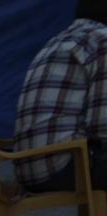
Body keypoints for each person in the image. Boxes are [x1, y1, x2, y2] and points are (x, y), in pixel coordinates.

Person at [14, 1, 107, 192]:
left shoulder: (63, 39)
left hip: (32, 167)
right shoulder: (102, 41)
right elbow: (101, 128)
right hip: (65, 166)